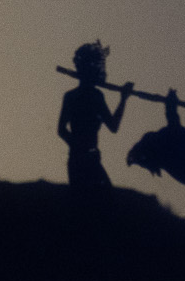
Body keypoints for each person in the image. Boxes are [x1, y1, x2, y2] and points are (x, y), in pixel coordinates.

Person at [57, 41, 133, 189]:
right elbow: (113, 126)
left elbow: (113, 127)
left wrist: (123, 99)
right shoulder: (90, 96)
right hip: (83, 159)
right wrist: (123, 99)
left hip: (84, 158)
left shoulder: (83, 96)